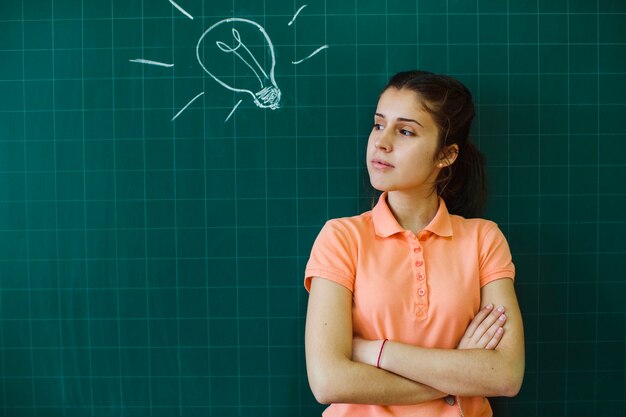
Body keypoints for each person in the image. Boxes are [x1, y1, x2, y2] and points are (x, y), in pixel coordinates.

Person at [303, 70, 524, 417]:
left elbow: (506, 375)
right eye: (378, 125)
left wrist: (374, 352)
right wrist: (460, 375)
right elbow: (328, 381)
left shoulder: (484, 239)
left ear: (446, 155)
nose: (381, 142)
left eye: (405, 131)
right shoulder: (341, 238)